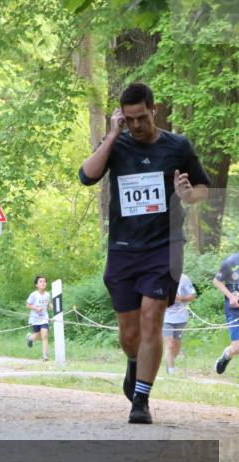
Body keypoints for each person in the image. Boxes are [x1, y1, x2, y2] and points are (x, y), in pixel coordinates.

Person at [79, 82, 210, 424]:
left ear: (153, 109)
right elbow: (86, 176)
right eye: (129, 119)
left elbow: (202, 189)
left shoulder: (177, 146)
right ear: (122, 116)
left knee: (153, 316)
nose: (136, 125)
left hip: (164, 248)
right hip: (123, 249)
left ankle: (141, 401)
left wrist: (186, 195)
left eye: (141, 117)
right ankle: (134, 362)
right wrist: (110, 135)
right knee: (129, 332)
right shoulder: (116, 145)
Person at [161, 272, 196, 374]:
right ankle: (171, 371)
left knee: (176, 344)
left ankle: (169, 361)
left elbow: (192, 296)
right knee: (170, 344)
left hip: (181, 317)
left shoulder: (184, 278)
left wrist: (181, 298)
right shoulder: (160, 277)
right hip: (165, 317)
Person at [212, 252, 239, 374]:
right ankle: (226, 356)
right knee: (237, 347)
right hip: (234, 310)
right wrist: (231, 297)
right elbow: (217, 281)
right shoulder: (231, 261)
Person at [25, 275, 51, 361]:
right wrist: (36, 308)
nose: (43, 283)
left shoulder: (47, 294)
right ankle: (29, 339)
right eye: (40, 281)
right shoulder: (34, 295)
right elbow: (27, 305)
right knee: (36, 336)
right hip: (35, 319)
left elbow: (48, 303)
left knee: (45, 334)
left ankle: (44, 356)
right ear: (37, 285)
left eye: (44, 281)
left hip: (44, 318)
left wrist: (52, 306)